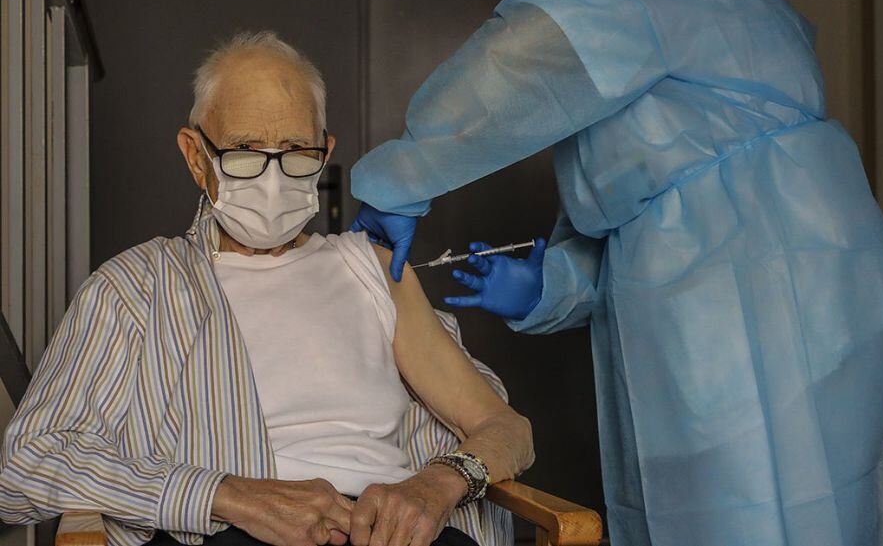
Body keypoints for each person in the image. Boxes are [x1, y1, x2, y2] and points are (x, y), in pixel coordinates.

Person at [349, 0, 883, 546]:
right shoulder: (643, 45)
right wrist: (548, 288)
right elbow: (638, 224)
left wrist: (398, 176)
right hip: (748, 290)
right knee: (746, 511)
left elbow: (508, 73)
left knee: (770, 511)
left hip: (771, 284)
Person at [0, 32, 532, 546]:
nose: (273, 179)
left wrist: (434, 486)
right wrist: (229, 496)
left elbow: (506, 429)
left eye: (297, 151)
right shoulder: (136, 288)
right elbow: (27, 464)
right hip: (225, 531)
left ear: (325, 152)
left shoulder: (373, 270)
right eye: (245, 151)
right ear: (195, 156)